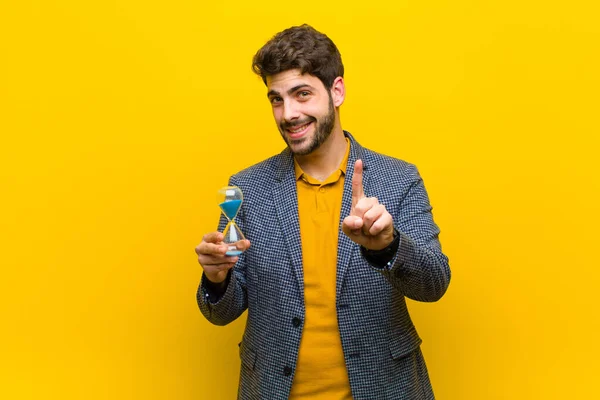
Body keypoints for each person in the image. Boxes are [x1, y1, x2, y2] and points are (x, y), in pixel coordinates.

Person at [195, 24, 451, 400]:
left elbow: (435, 284)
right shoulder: (247, 187)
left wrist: (388, 246)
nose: (288, 114)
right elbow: (222, 313)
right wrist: (216, 280)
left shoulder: (400, 179)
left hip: (384, 389)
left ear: (337, 91)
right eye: (276, 99)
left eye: (302, 94)